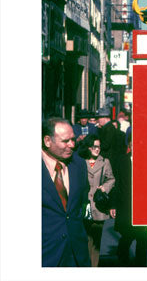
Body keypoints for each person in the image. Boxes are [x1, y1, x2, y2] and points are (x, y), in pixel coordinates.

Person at [42, 117, 91, 267]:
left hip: (76, 255)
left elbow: (80, 204)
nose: (72, 145)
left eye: (73, 140)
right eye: (65, 141)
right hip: (45, 255)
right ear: (47, 141)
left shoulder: (79, 165)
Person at [110, 132, 147, 266]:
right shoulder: (121, 160)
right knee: (126, 237)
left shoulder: (146, 161)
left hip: (143, 207)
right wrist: (113, 205)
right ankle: (123, 264)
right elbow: (116, 184)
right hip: (125, 205)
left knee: (143, 240)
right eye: (133, 143)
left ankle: (141, 267)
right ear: (129, 145)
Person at [78, 135, 115, 267]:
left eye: (98, 146)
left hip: (99, 206)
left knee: (96, 241)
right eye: (94, 146)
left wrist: (104, 188)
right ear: (88, 147)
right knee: (84, 239)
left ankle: (94, 267)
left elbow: (111, 179)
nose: (97, 149)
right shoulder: (80, 162)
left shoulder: (105, 162)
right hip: (84, 205)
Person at [96, 107, 125, 177]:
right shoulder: (108, 128)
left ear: (104, 118)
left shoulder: (108, 129)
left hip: (109, 159)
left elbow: (105, 145)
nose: (97, 120)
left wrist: (95, 146)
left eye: (98, 118)